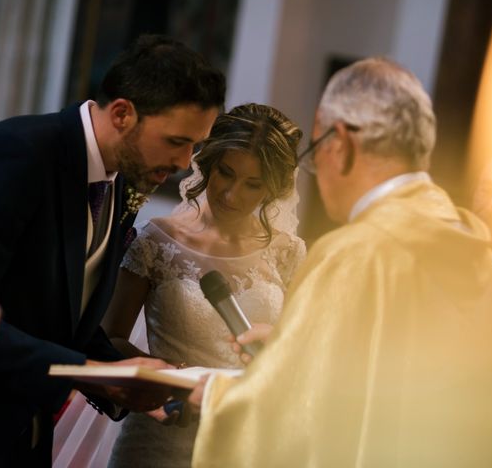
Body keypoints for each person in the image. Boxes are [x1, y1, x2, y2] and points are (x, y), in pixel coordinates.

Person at [187, 58, 492, 467]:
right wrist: (297, 348)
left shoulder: (356, 254)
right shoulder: (473, 248)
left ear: (339, 144)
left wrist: (219, 400)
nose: (318, 171)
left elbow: (295, 420)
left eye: (315, 151)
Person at [0, 34, 225, 466]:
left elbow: (64, 319)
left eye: (196, 145)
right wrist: (94, 372)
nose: (187, 161)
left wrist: (131, 376)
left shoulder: (122, 181)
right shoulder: (20, 153)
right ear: (123, 113)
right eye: (176, 141)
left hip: (24, 438)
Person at [54, 103, 306, 468]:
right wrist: (165, 373)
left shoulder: (288, 253)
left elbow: (304, 353)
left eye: (253, 184)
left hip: (247, 444)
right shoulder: (156, 242)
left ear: (273, 188)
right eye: (226, 173)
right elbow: (110, 341)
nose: (232, 195)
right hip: (161, 437)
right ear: (208, 162)